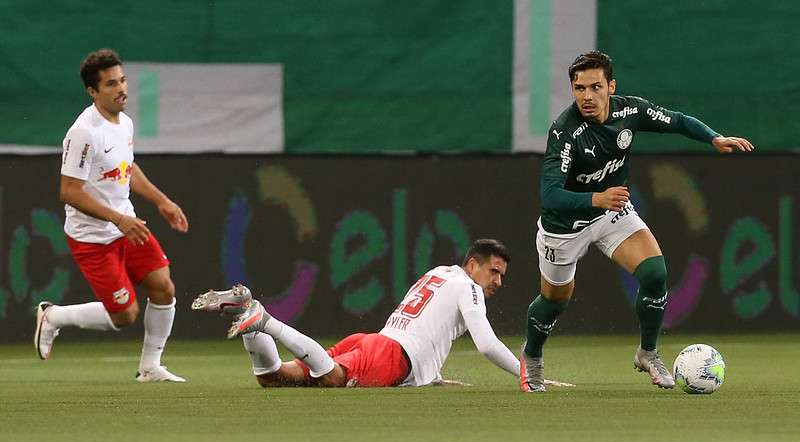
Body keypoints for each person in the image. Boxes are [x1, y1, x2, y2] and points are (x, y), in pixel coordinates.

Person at [520, 51, 754, 392]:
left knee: (655, 273)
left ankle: (648, 353)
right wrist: (595, 198)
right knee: (555, 300)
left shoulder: (629, 110)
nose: (587, 96)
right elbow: (550, 195)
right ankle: (533, 356)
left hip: (611, 211)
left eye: (595, 87)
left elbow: (675, 120)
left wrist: (713, 137)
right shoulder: (565, 132)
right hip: (565, 226)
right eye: (579, 88)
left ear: (610, 86)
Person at [194, 239, 570, 388]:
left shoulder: (439, 273)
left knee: (275, 378)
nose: (498, 281)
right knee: (332, 380)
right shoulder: (468, 287)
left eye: (503, 275)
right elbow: (486, 345)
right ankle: (265, 320)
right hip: (391, 357)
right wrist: (529, 374)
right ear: (472, 265)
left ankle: (246, 311)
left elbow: (424, 326)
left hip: (377, 342)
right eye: (494, 271)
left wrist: (431, 376)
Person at [33, 49, 189, 382]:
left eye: (122, 80)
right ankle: (53, 317)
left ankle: (149, 368)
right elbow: (70, 191)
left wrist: (162, 201)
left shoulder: (125, 121)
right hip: (93, 237)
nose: (121, 89)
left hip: (125, 226)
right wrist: (118, 220)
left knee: (163, 287)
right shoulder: (83, 132)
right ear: (92, 91)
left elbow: (126, 168)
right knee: (125, 315)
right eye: (110, 84)